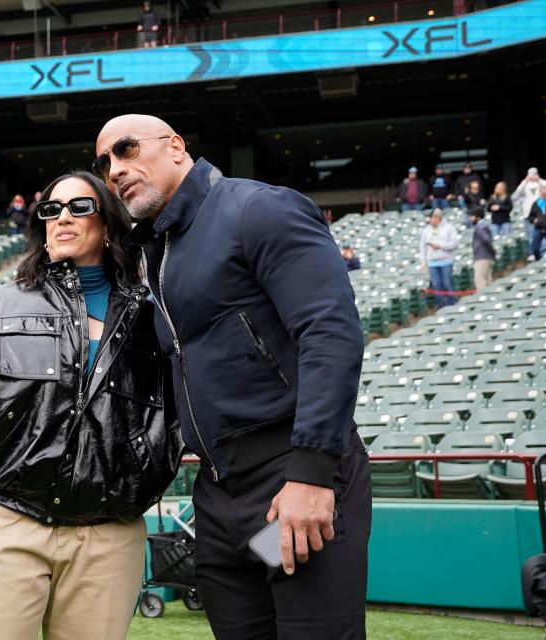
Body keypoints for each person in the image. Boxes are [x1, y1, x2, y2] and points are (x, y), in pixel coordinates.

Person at [96, 114, 369, 639]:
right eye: (105, 162)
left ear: (176, 145)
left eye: (127, 149)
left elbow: (330, 332)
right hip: (218, 497)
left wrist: (311, 473)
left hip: (289, 478)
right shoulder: (153, 251)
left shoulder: (258, 208)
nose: (115, 169)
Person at [0, 170, 180, 638]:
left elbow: (183, 408)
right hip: (6, 524)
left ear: (108, 223)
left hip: (108, 535)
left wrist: (146, 471)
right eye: (51, 209)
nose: (62, 217)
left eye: (79, 207)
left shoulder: (155, 316)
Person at [419, 209, 460, 307]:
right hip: (432, 262)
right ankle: (441, 306)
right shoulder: (426, 230)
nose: (430, 220)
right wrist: (423, 262)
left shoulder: (449, 228)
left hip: (446, 261)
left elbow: (455, 243)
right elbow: (422, 247)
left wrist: (441, 246)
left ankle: (452, 304)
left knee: (447, 284)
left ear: (438, 218)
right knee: (437, 286)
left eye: (432, 218)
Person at [469, 207, 496, 292]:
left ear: (478, 217)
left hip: (482, 257)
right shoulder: (484, 225)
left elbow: (486, 240)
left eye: (472, 216)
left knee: (480, 282)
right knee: (487, 282)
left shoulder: (480, 226)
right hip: (486, 256)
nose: (470, 218)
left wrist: (492, 251)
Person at [514, 167, 543, 240]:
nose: (532, 176)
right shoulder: (525, 184)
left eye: (534, 174)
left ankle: (543, 250)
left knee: (541, 233)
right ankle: (532, 251)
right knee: (530, 235)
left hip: (540, 212)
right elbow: (517, 193)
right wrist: (525, 180)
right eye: (531, 174)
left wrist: (538, 179)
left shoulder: (541, 182)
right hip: (528, 213)